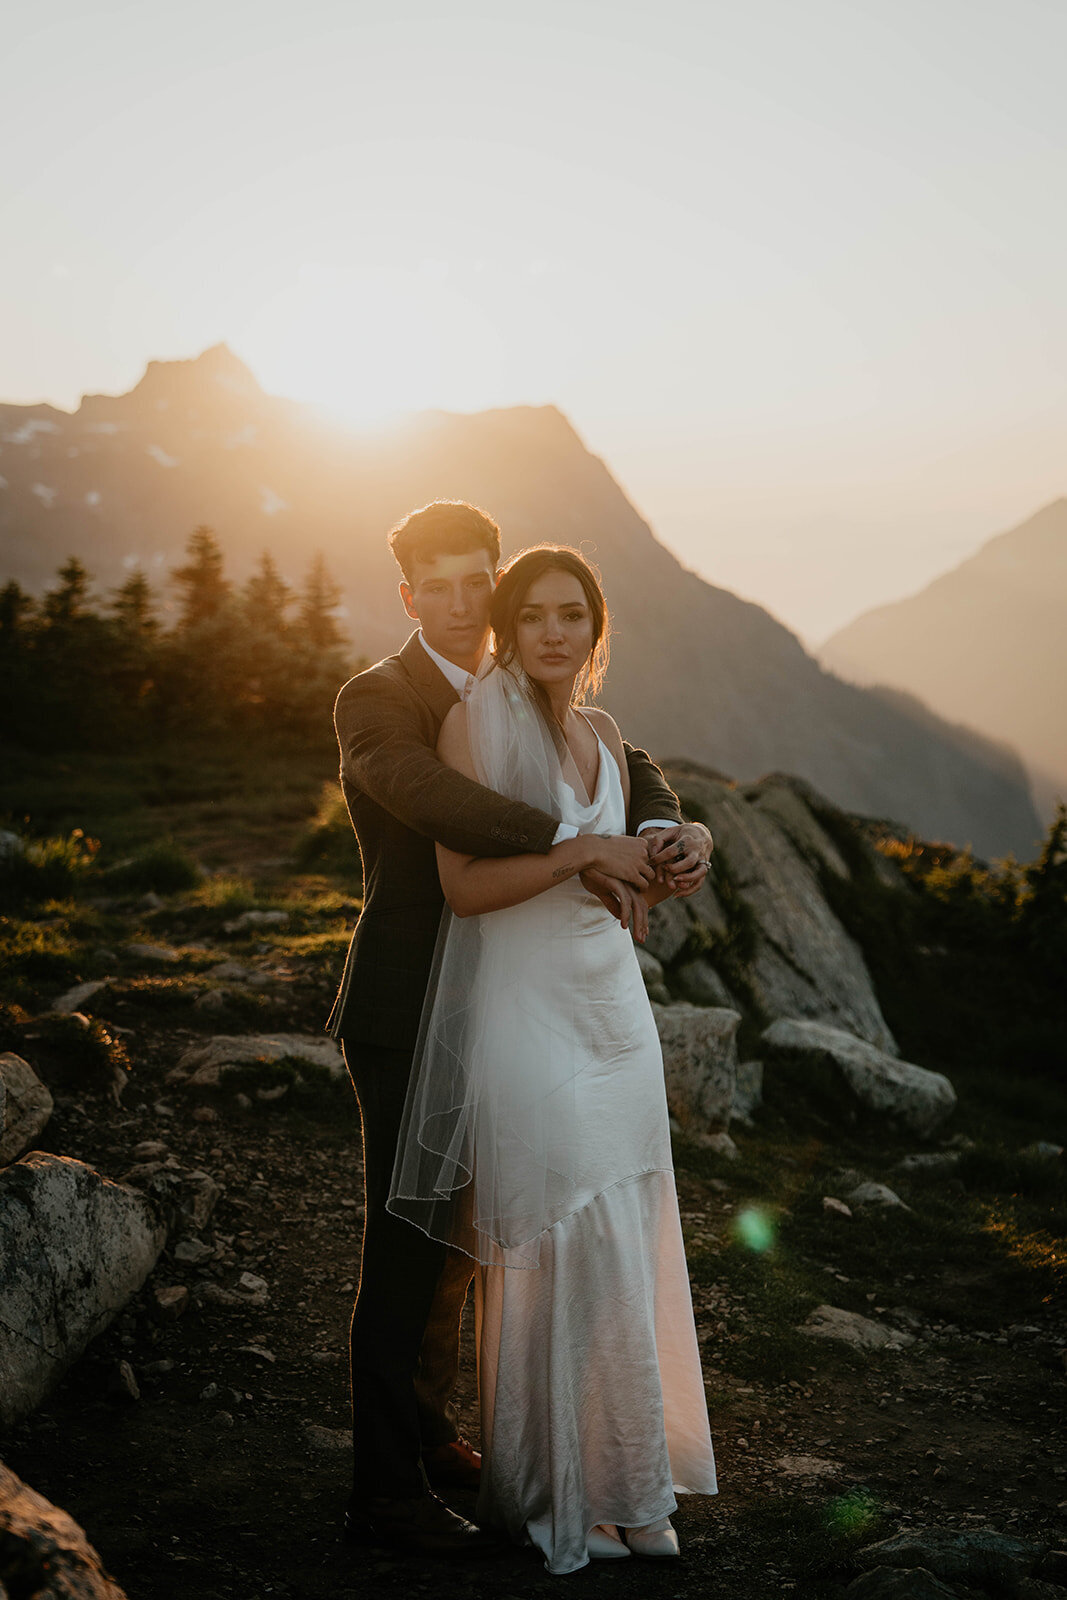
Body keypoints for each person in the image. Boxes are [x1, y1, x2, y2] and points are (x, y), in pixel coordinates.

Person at [328, 502, 712, 1558]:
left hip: (524, 1004)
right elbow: (422, 793)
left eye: (472, 583)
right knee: (409, 1251)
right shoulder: (379, 698)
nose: (459, 605)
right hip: (410, 1006)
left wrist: (662, 828)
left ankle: (446, 1434)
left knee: (481, 1244)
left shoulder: (545, 696)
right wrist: (575, 842)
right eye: (435, 587)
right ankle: (383, 1493)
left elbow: (630, 767)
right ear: (407, 597)